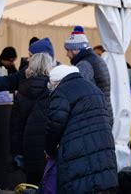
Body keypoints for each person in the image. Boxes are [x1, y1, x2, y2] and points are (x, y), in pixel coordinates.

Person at [45, 65, 118, 193]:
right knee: (100, 183)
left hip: (77, 150)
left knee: (82, 185)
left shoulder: (61, 92)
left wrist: (49, 150)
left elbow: (55, 125)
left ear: (56, 82)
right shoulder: (94, 88)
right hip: (103, 147)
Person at [10, 38, 55, 185]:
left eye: (30, 56)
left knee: (32, 185)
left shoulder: (23, 88)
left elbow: (15, 126)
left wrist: (16, 153)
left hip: (28, 150)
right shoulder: (57, 88)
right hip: (50, 151)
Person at [64, 25, 113, 126]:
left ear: (75, 50)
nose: (67, 54)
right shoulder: (96, 59)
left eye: (68, 50)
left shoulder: (84, 64)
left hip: (97, 118)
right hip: (104, 114)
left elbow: (78, 91)